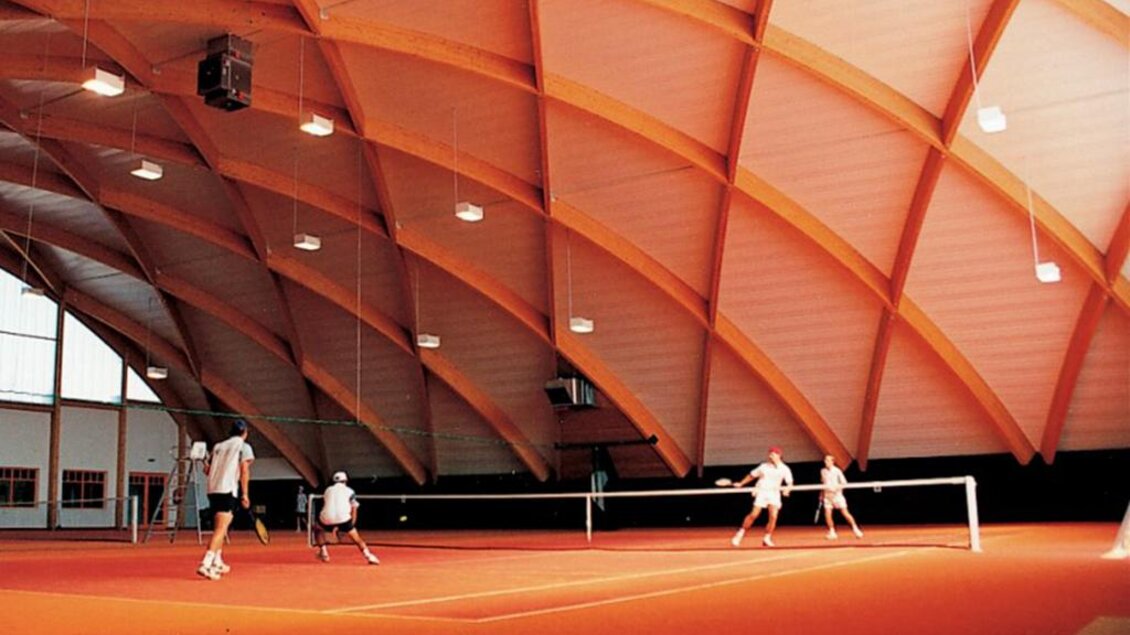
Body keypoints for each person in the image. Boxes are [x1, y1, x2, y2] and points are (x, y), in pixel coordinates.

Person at [196, 419, 254, 580]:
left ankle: (217, 561)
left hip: (213, 490)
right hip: (227, 490)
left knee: (220, 528)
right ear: (245, 433)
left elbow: (207, 470)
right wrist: (245, 494)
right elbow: (244, 471)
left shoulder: (218, 446)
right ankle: (206, 563)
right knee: (221, 529)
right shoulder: (243, 446)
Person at [730, 446, 793, 548]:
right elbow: (751, 475)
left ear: (779, 456)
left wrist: (787, 489)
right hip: (762, 492)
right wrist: (741, 483)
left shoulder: (785, 469)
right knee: (754, 515)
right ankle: (739, 535)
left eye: (772, 454)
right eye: (769, 454)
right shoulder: (763, 466)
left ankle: (767, 538)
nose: (770, 456)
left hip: (774, 494)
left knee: (773, 516)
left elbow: (790, 482)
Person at [313, 471, 379, 565]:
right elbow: (354, 508)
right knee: (357, 539)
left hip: (326, 517)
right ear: (345, 480)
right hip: (344, 518)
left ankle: (324, 552)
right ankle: (369, 556)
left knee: (316, 529)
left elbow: (328, 505)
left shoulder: (327, 490)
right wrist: (351, 526)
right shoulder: (350, 491)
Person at [820, 455, 863, 540]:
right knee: (827, 514)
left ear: (832, 462)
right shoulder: (823, 471)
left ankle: (856, 529)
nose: (826, 462)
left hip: (837, 496)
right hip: (827, 496)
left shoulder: (837, 471)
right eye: (825, 460)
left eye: (828, 460)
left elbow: (844, 483)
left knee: (845, 513)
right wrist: (821, 494)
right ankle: (832, 532)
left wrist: (837, 489)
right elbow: (822, 483)